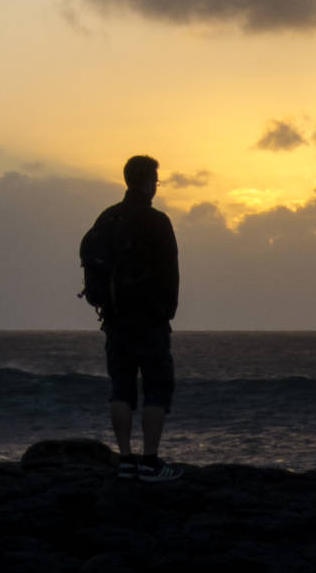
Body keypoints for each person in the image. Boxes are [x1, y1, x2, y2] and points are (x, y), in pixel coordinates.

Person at [95, 154, 181, 483]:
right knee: (157, 388)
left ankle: (126, 460)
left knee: (121, 389)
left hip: (115, 319)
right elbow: (170, 273)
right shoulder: (156, 220)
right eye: (156, 181)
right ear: (148, 182)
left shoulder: (107, 218)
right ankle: (150, 460)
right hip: (150, 319)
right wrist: (166, 312)